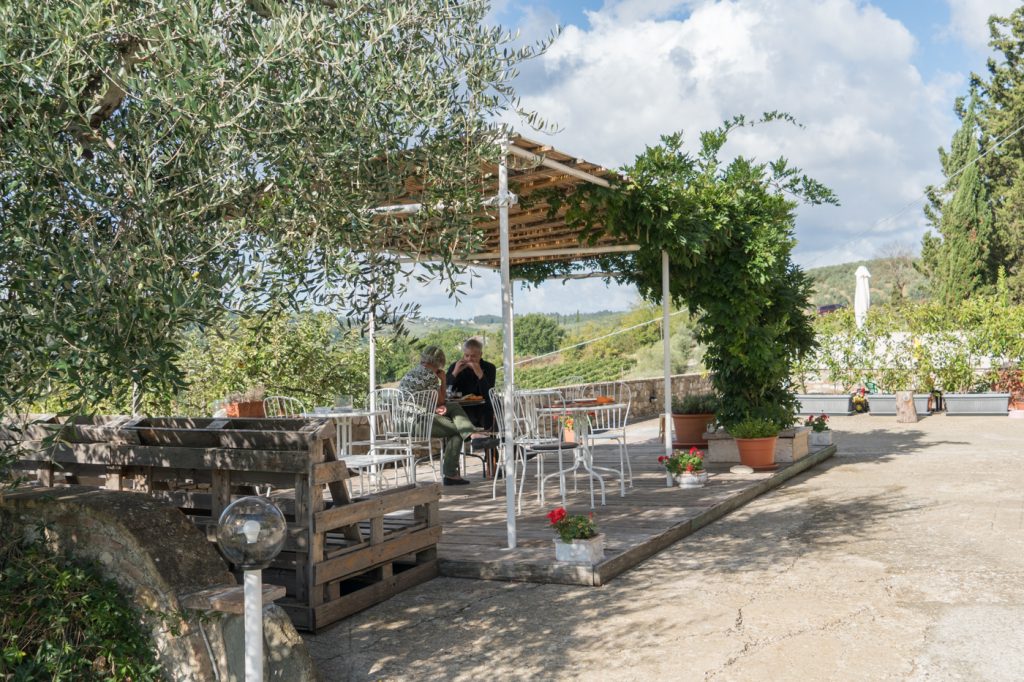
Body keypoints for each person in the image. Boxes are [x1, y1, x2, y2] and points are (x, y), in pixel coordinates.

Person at [399, 345, 475, 486]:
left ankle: (469, 432)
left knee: (453, 406)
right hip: (418, 423)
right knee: (458, 432)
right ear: (439, 363)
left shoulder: (411, 372)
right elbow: (441, 401)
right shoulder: (430, 375)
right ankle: (450, 474)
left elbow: (427, 401)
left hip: (402, 422)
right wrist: (443, 380)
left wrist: (434, 409)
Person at [446, 338, 497, 429]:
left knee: (489, 409)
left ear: (480, 355)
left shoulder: (490, 368)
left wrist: (480, 374)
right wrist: (455, 373)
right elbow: (446, 390)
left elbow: (489, 393)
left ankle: (485, 438)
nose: (469, 359)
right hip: (462, 408)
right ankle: (475, 437)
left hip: (482, 407)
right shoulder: (455, 366)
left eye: (473, 356)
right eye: (466, 355)